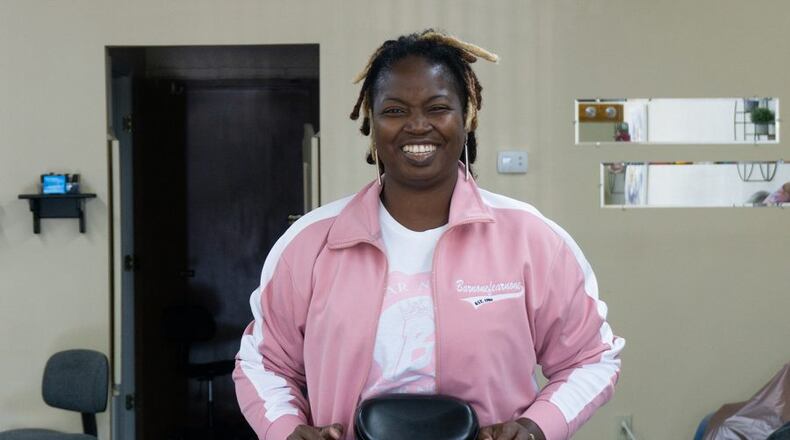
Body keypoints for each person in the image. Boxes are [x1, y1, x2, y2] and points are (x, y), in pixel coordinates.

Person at [233, 30, 624, 440]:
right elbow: (263, 363)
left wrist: (536, 427)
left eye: (437, 108)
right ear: (372, 121)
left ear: (466, 115)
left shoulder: (532, 239)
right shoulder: (309, 243)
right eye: (395, 110)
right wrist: (286, 429)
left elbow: (592, 358)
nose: (418, 126)